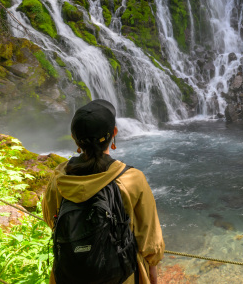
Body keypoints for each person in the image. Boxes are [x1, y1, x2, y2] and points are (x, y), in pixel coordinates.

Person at [42, 99, 164, 284]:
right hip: (121, 275)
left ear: (75, 139)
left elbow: (52, 220)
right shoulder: (131, 179)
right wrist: (152, 272)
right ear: (114, 133)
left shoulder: (59, 179)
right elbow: (149, 240)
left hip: (70, 274)